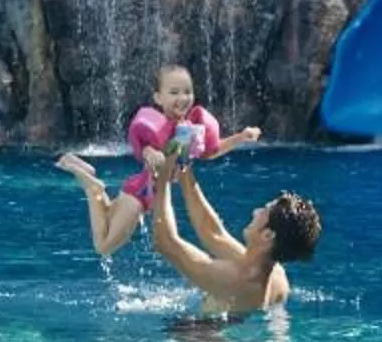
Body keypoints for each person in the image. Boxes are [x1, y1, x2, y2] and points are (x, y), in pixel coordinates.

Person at [54, 62, 260, 259]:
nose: (182, 97)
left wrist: (240, 137)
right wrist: (152, 154)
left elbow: (211, 152)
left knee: (106, 216)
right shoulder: (158, 131)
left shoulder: (190, 129)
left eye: (187, 91)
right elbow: (148, 151)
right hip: (139, 196)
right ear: (158, 98)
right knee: (103, 246)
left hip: (143, 195)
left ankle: (85, 173)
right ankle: (92, 187)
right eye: (174, 92)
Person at [150, 159, 322, 317]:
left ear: (267, 235)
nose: (255, 211)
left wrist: (162, 179)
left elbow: (165, 242)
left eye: (263, 211)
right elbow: (213, 234)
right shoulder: (277, 275)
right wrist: (184, 167)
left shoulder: (235, 280)